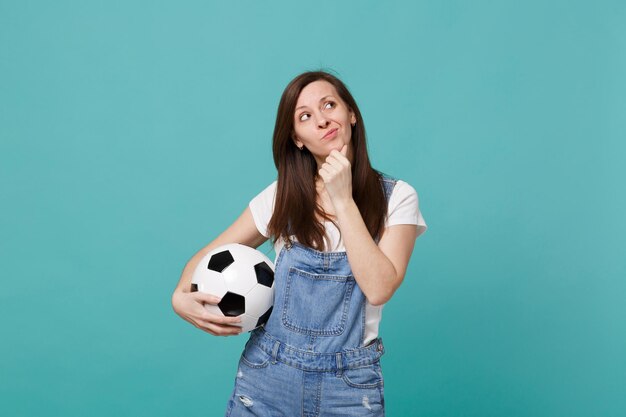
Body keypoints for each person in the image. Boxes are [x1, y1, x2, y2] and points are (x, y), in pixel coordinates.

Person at [171, 70, 427, 416]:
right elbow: (207, 256)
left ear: (351, 114)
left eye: (329, 105)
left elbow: (380, 287)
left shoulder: (397, 197)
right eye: (306, 116)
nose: (322, 121)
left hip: (348, 387)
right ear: (297, 139)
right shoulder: (283, 196)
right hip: (267, 378)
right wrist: (178, 299)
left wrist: (343, 199)